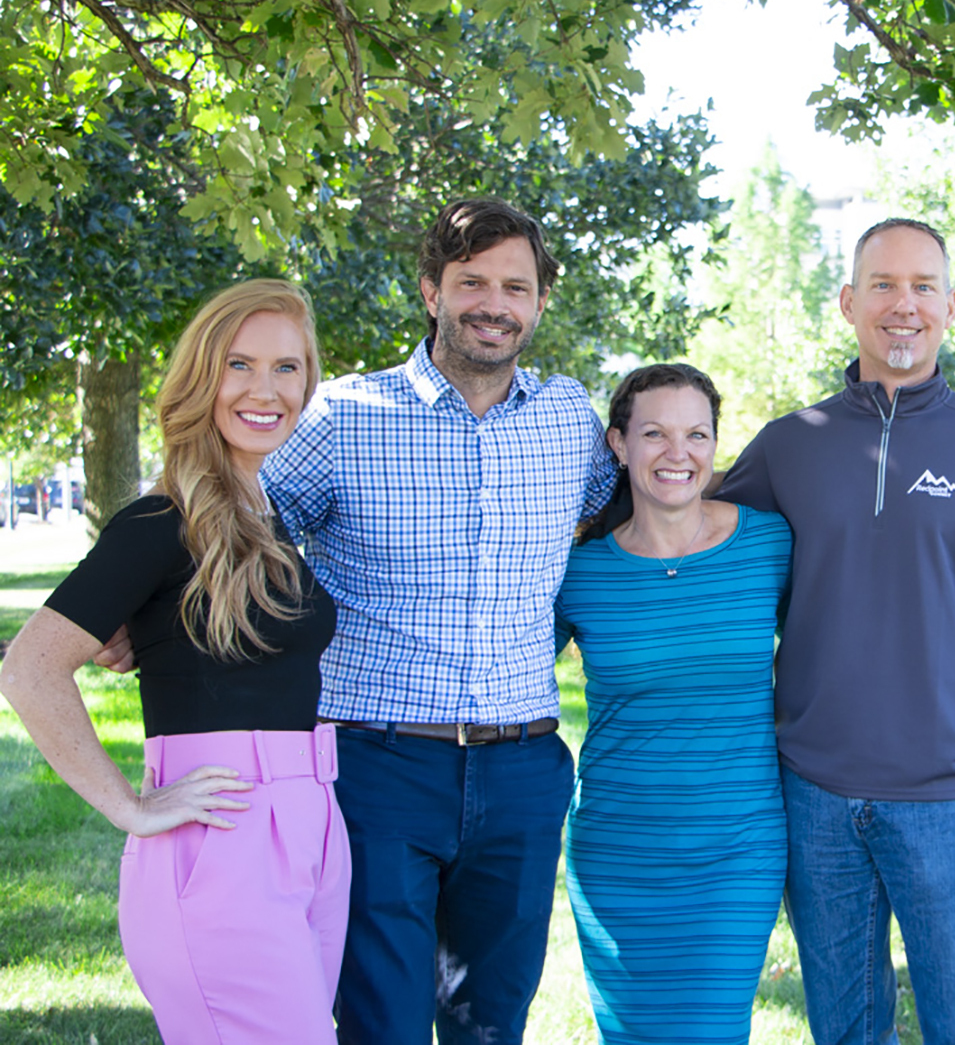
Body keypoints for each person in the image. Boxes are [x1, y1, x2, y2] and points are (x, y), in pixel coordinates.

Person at [259, 199, 617, 1044]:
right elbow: (242, 521)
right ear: (430, 290)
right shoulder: (344, 416)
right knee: (380, 1017)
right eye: (472, 282)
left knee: (491, 1020)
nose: (493, 303)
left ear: (538, 303)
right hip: (377, 764)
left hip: (525, 764)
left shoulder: (570, 419)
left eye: (515, 286)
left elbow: (620, 529)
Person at [718, 218, 955, 1045]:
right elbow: (694, 538)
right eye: (882, 285)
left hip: (950, 799)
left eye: (921, 287)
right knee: (844, 1030)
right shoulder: (789, 445)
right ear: (848, 302)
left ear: (950, 304)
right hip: (814, 790)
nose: (902, 305)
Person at [0, 280, 346, 1042]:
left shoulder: (266, 514)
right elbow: (28, 668)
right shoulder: (160, 521)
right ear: (200, 377)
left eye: (288, 368)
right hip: (222, 840)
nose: (267, 389)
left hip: (312, 828)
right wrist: (129, 805)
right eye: (240, 365)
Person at [554, 363, 791, 1044]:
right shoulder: (580, 571)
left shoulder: (768, 544)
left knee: (714, 1030)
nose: (677, 453)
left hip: (736, 845)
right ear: (619, 444)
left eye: (696, 434)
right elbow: (504, 664)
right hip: (618, 848)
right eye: (654, 433)